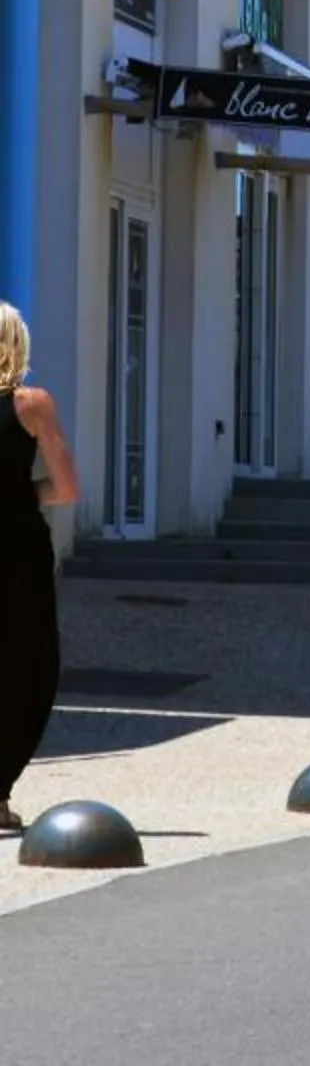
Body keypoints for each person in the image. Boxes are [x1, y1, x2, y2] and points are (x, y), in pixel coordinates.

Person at [0, 302, 79, 836]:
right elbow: (66, 487)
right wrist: (22, 493)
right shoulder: (32, 404)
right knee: (27, 664)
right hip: (15, 549)